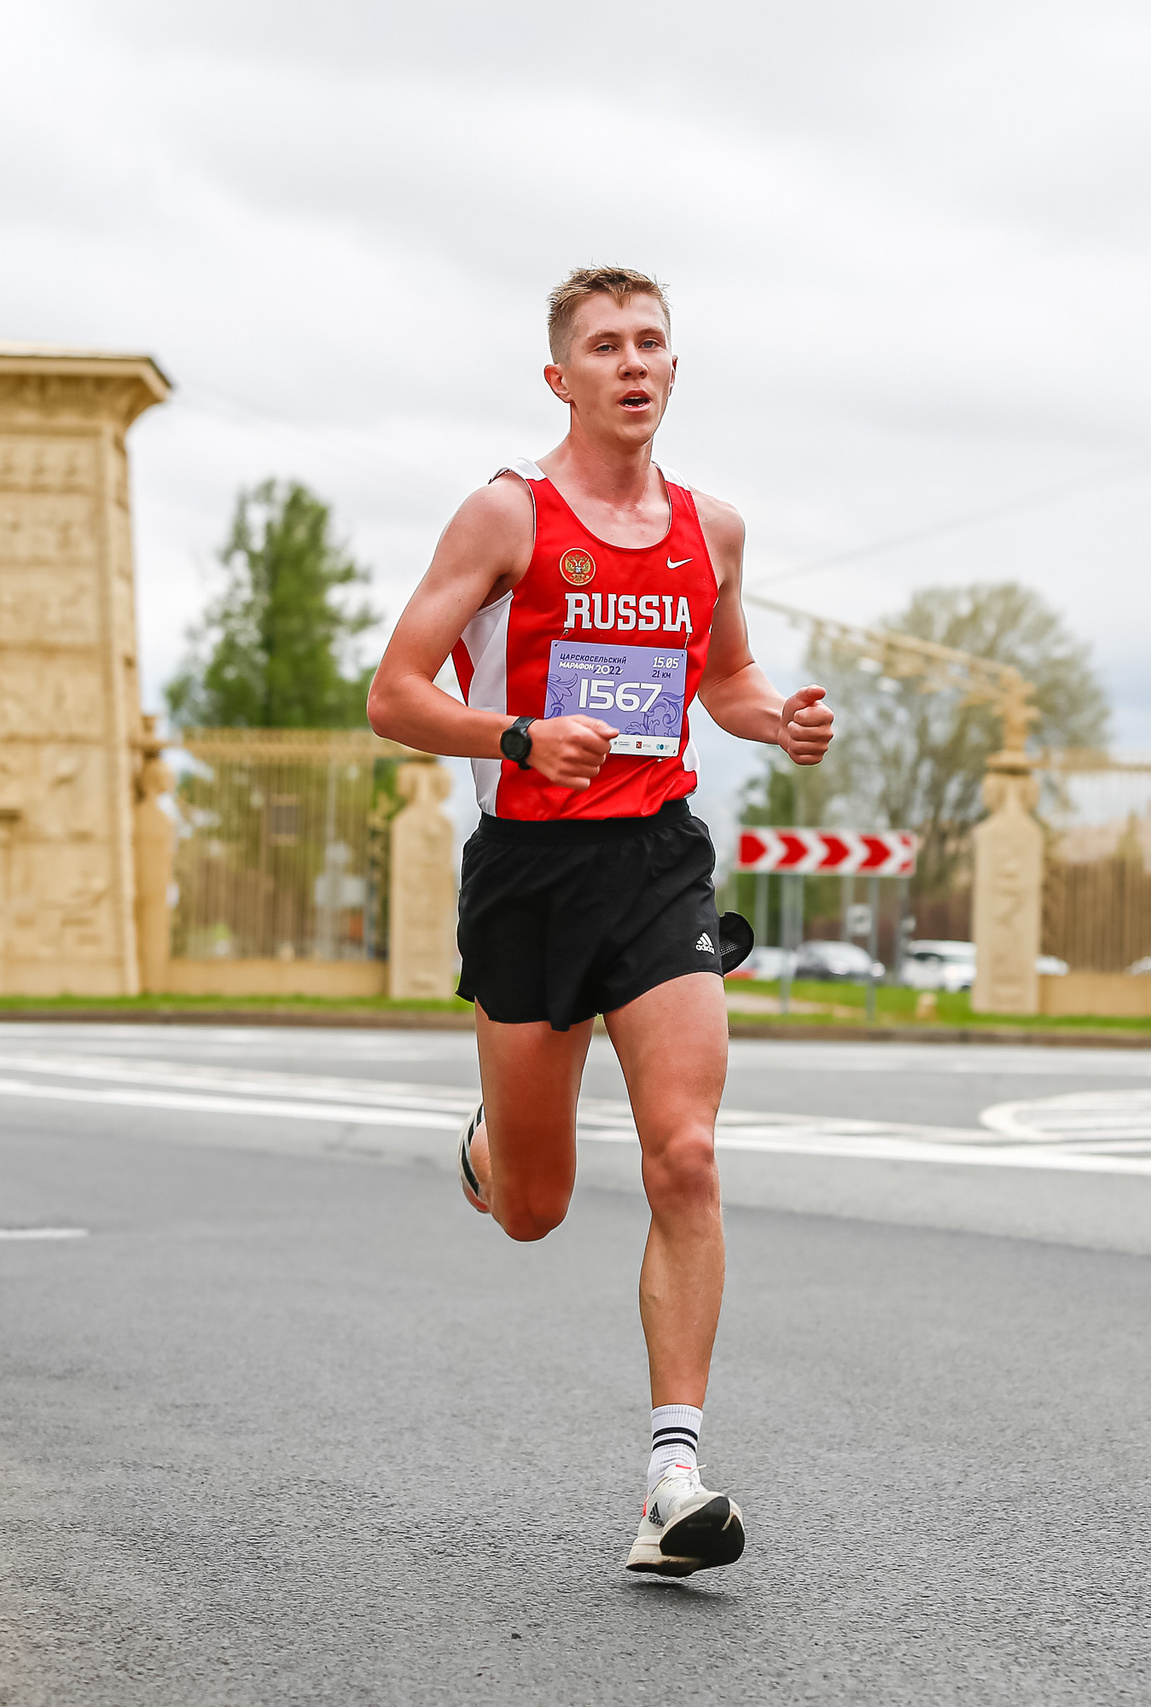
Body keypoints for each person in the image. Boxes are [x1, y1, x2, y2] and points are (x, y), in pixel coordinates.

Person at [366, 265, 833, 1576]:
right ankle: (494, 1153)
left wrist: (776, 720)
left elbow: (727, 677)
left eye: (653, 344)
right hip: (527, 873)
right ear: (561, 378)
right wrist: (514, 732)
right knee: (534, 1210)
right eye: (606, 346)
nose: (633, 364)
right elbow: (396, 695)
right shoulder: (506, 517)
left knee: (685, 1154)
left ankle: (672, 1481)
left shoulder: (711, 531)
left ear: (675, 372)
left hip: (657, 863)